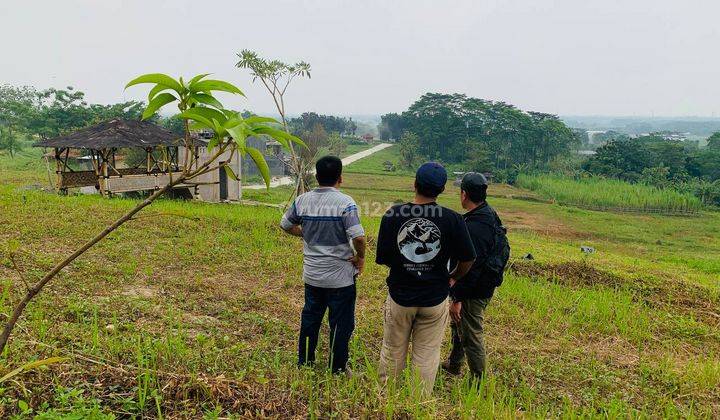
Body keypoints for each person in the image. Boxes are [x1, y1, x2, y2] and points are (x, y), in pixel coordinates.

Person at [375, 162, 476, 395]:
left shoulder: (393, 214)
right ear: (441, 190)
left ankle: (385, 399)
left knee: (392, 350)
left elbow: (385, 258)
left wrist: (406, 266)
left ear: (414, 184)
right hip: (434, 298)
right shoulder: (452, 219)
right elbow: (468, 258)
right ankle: (417, 403)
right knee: (427, 354)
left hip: (400, 297)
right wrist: (453, 277)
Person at [280, 155, 366, 373]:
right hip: (340, 278)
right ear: (340, 178)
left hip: (313, 275)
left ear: (317, 176)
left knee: (310, 319)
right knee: (341, 324)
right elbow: (358, 237)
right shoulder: (346, 203)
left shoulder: (302, 201)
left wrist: (306, 234)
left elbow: (285, 224)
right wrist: (360, 257)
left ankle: (305, 362)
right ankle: (337, 367)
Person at [442, 172, 508, 379]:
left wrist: (458, 298)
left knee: (471, 333)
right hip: (482, 283)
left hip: (475, 288)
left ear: (464, 194)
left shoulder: (475, 227)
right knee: (459, 325)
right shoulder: (487, 213)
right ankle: (454, 363)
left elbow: (472, 267)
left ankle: (478, 380)